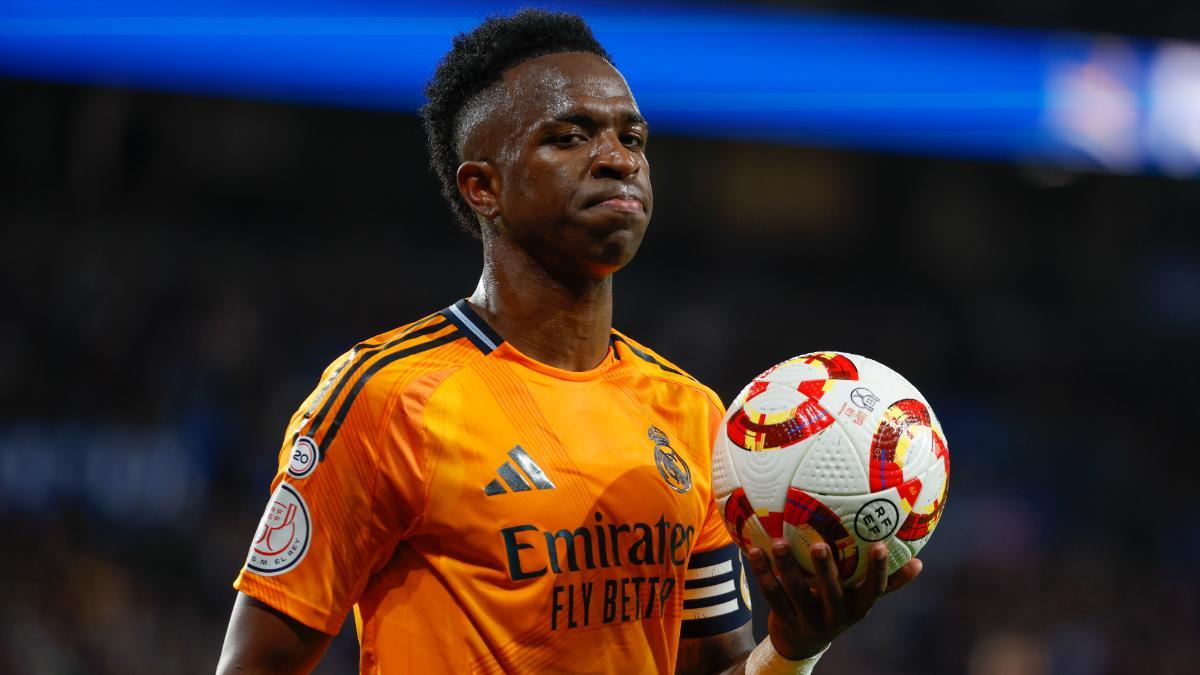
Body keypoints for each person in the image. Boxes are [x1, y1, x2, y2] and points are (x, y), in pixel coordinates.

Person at [216, 10, 921, 674]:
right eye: (571, 136)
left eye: (632, 138)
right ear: (482, 187)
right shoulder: (385, 396)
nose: (617, 159)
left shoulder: (695, 416)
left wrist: (795, 647)